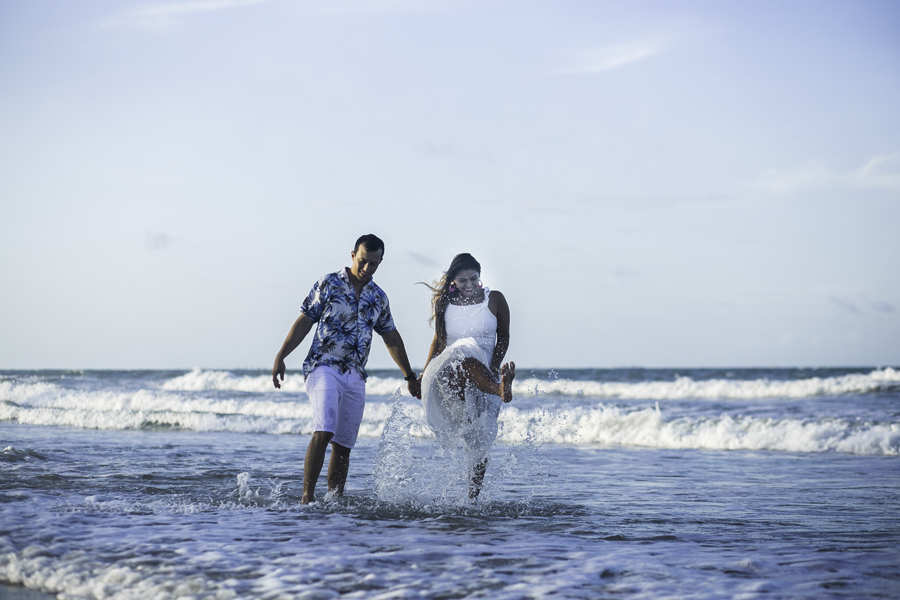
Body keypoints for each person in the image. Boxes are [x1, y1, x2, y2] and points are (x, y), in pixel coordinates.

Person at [272, 234, 421, 504]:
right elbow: (305, 320)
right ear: (353, 255)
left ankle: (334, 503)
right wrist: (282, 356)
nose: (366, 268)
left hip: (356, 374)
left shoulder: (378, 297)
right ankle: (306, 500)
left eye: (373, 264)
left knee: (343, 444)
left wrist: (409, 376)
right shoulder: (329, 283)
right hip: (323, 365)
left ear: (380, 262)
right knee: (325, 428)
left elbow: (390, 336)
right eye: (362, 261)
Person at [420, 253, 516, 499]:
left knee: (478, 437)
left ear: (480, 276)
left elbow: (503, 337)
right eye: (462, 280)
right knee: (464, 356)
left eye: (473, 278)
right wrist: (424, 372)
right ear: (453, 280)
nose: (469, 284)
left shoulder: (495, 299)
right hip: (450, 372)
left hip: (486, 373)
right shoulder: (444, 303)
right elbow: (439, 341)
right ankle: (500, 389)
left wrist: (494, 366)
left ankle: (473, 498)